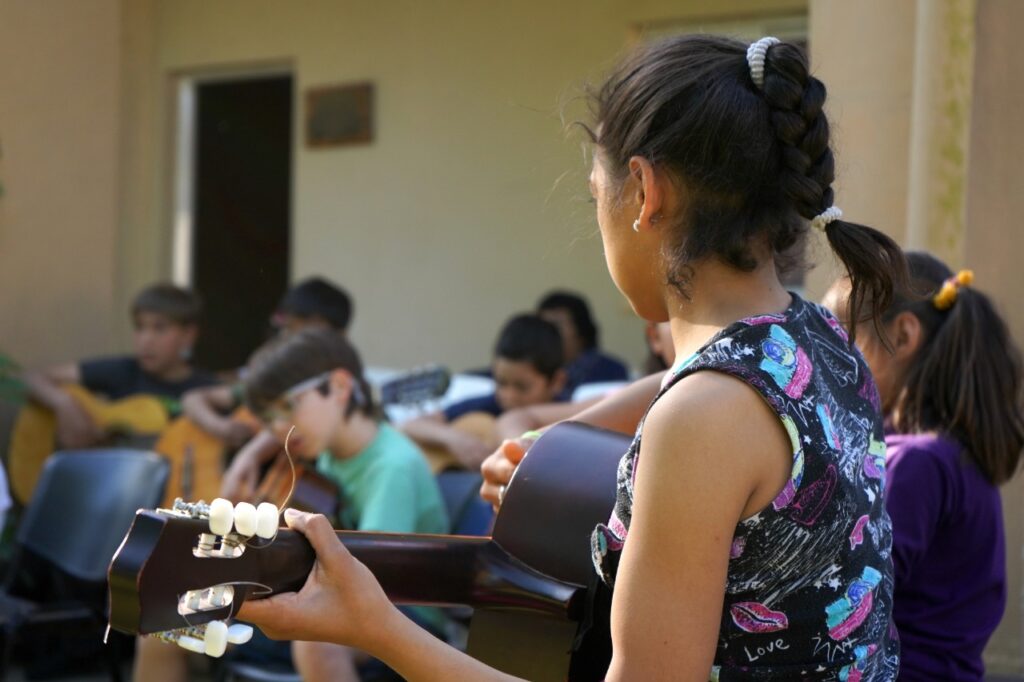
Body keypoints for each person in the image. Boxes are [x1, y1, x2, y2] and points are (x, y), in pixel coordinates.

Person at [238, 34, 906, 680]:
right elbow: (690, 382)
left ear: (645, 193)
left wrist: (375, 628)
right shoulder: (820, 339)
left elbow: (697, 404)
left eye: (597, 197)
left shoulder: (703, 420)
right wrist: (557, 439)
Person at [134, 327, 448, 682]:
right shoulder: (323, 454)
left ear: (340, 388)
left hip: (403, 617)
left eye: (287, 407)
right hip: (321, 599)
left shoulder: (392, 467)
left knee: (317, 644)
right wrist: (248, 460)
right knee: (164, 616)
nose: (281, 428)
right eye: (269, 419)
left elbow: (372, 580)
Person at [822, 252, 1023, 681]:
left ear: (905, 335)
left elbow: (853, 590)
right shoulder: (948, 455)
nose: (828, 365)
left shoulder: (919, 465)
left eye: (841, 343)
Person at [21, 283, 217, 448]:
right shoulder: (124, 370)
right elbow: (30, 378)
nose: (145, 340)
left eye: (160, 328)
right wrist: (64, 405)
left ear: (188, 335)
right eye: (139, 327)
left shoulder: (208, 390)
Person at [180, 276, 353, 450]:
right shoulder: (279, 379)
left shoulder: (342, 388)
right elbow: (192, 398)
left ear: (319, 327)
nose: (284, 337)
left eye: (292, 329)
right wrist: (221, 427)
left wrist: (255, 451)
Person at [401, 313, 566, 469]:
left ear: (557, 381)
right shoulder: (489, 404)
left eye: (521, 387)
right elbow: (411, 425)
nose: (508, 395)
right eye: (501, 382)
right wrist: (455, 439)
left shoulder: (569, 419)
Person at [537, 290, 629, 397]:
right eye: (543, 327)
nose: (547, 334)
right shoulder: (537, 372)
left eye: (555, 326)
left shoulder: (608, 369)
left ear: (580, 329)